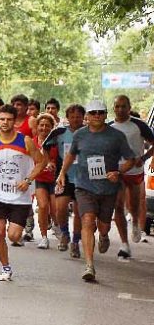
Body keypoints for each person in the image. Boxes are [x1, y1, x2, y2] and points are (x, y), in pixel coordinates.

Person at [57, 99, 135, 281]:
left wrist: (118, 171)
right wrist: (62, 173)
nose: (97, 116)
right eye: (93, 113)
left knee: (104, 225)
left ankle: (104, 235)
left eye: (101, 112)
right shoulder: (80, 135)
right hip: (84, 186)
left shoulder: (116, 136)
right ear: (87, 117)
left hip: (108, 189)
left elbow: (131, 159)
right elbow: (71, 155)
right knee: (87, 220)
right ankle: (89, 266)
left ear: (106, 114)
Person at [0, 104, 46, 281]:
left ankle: (13, 244)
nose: (5, 123)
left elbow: (41, 162)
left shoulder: (25, 141)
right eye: (2, 119)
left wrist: (28, 180)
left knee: (13, 235)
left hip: (20, 196)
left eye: (9, 120)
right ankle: (5, 268)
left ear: (15, 122)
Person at [109, 95, 154, 258]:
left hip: (134, 172)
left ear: (129, 107)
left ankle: (135, 221)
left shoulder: (139, 125)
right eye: (117, 106)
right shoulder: (109, 126)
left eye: (123, 106)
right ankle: (124, 244)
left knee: (133, 205)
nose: (120, 109)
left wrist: (143, 158)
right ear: (113, 108)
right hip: (117, 171)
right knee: (118, 206)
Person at [43, 104, 85, 255]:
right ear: (67, 118)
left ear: (83, 118)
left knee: (79, 211)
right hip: (64, 175)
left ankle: (75, 242)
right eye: (72, 117)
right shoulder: (59, 132)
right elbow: (45, 146)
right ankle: (64, 233)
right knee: (60, 208)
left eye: (78, 117)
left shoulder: (88, 132)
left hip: (83, 177)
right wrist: (49, 162)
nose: (75, 120)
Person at [33, 113, 59, 249]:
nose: (44, 128)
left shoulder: (56, 141)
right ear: (37, 127)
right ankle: (43, 237)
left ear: (52, 128)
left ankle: (57, 225)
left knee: (55, 209)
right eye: (41, 125)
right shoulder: (31, 142)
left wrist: (53, 163)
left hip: (54, 179)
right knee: (43, 206)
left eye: (47, 126)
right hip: (40, 179)